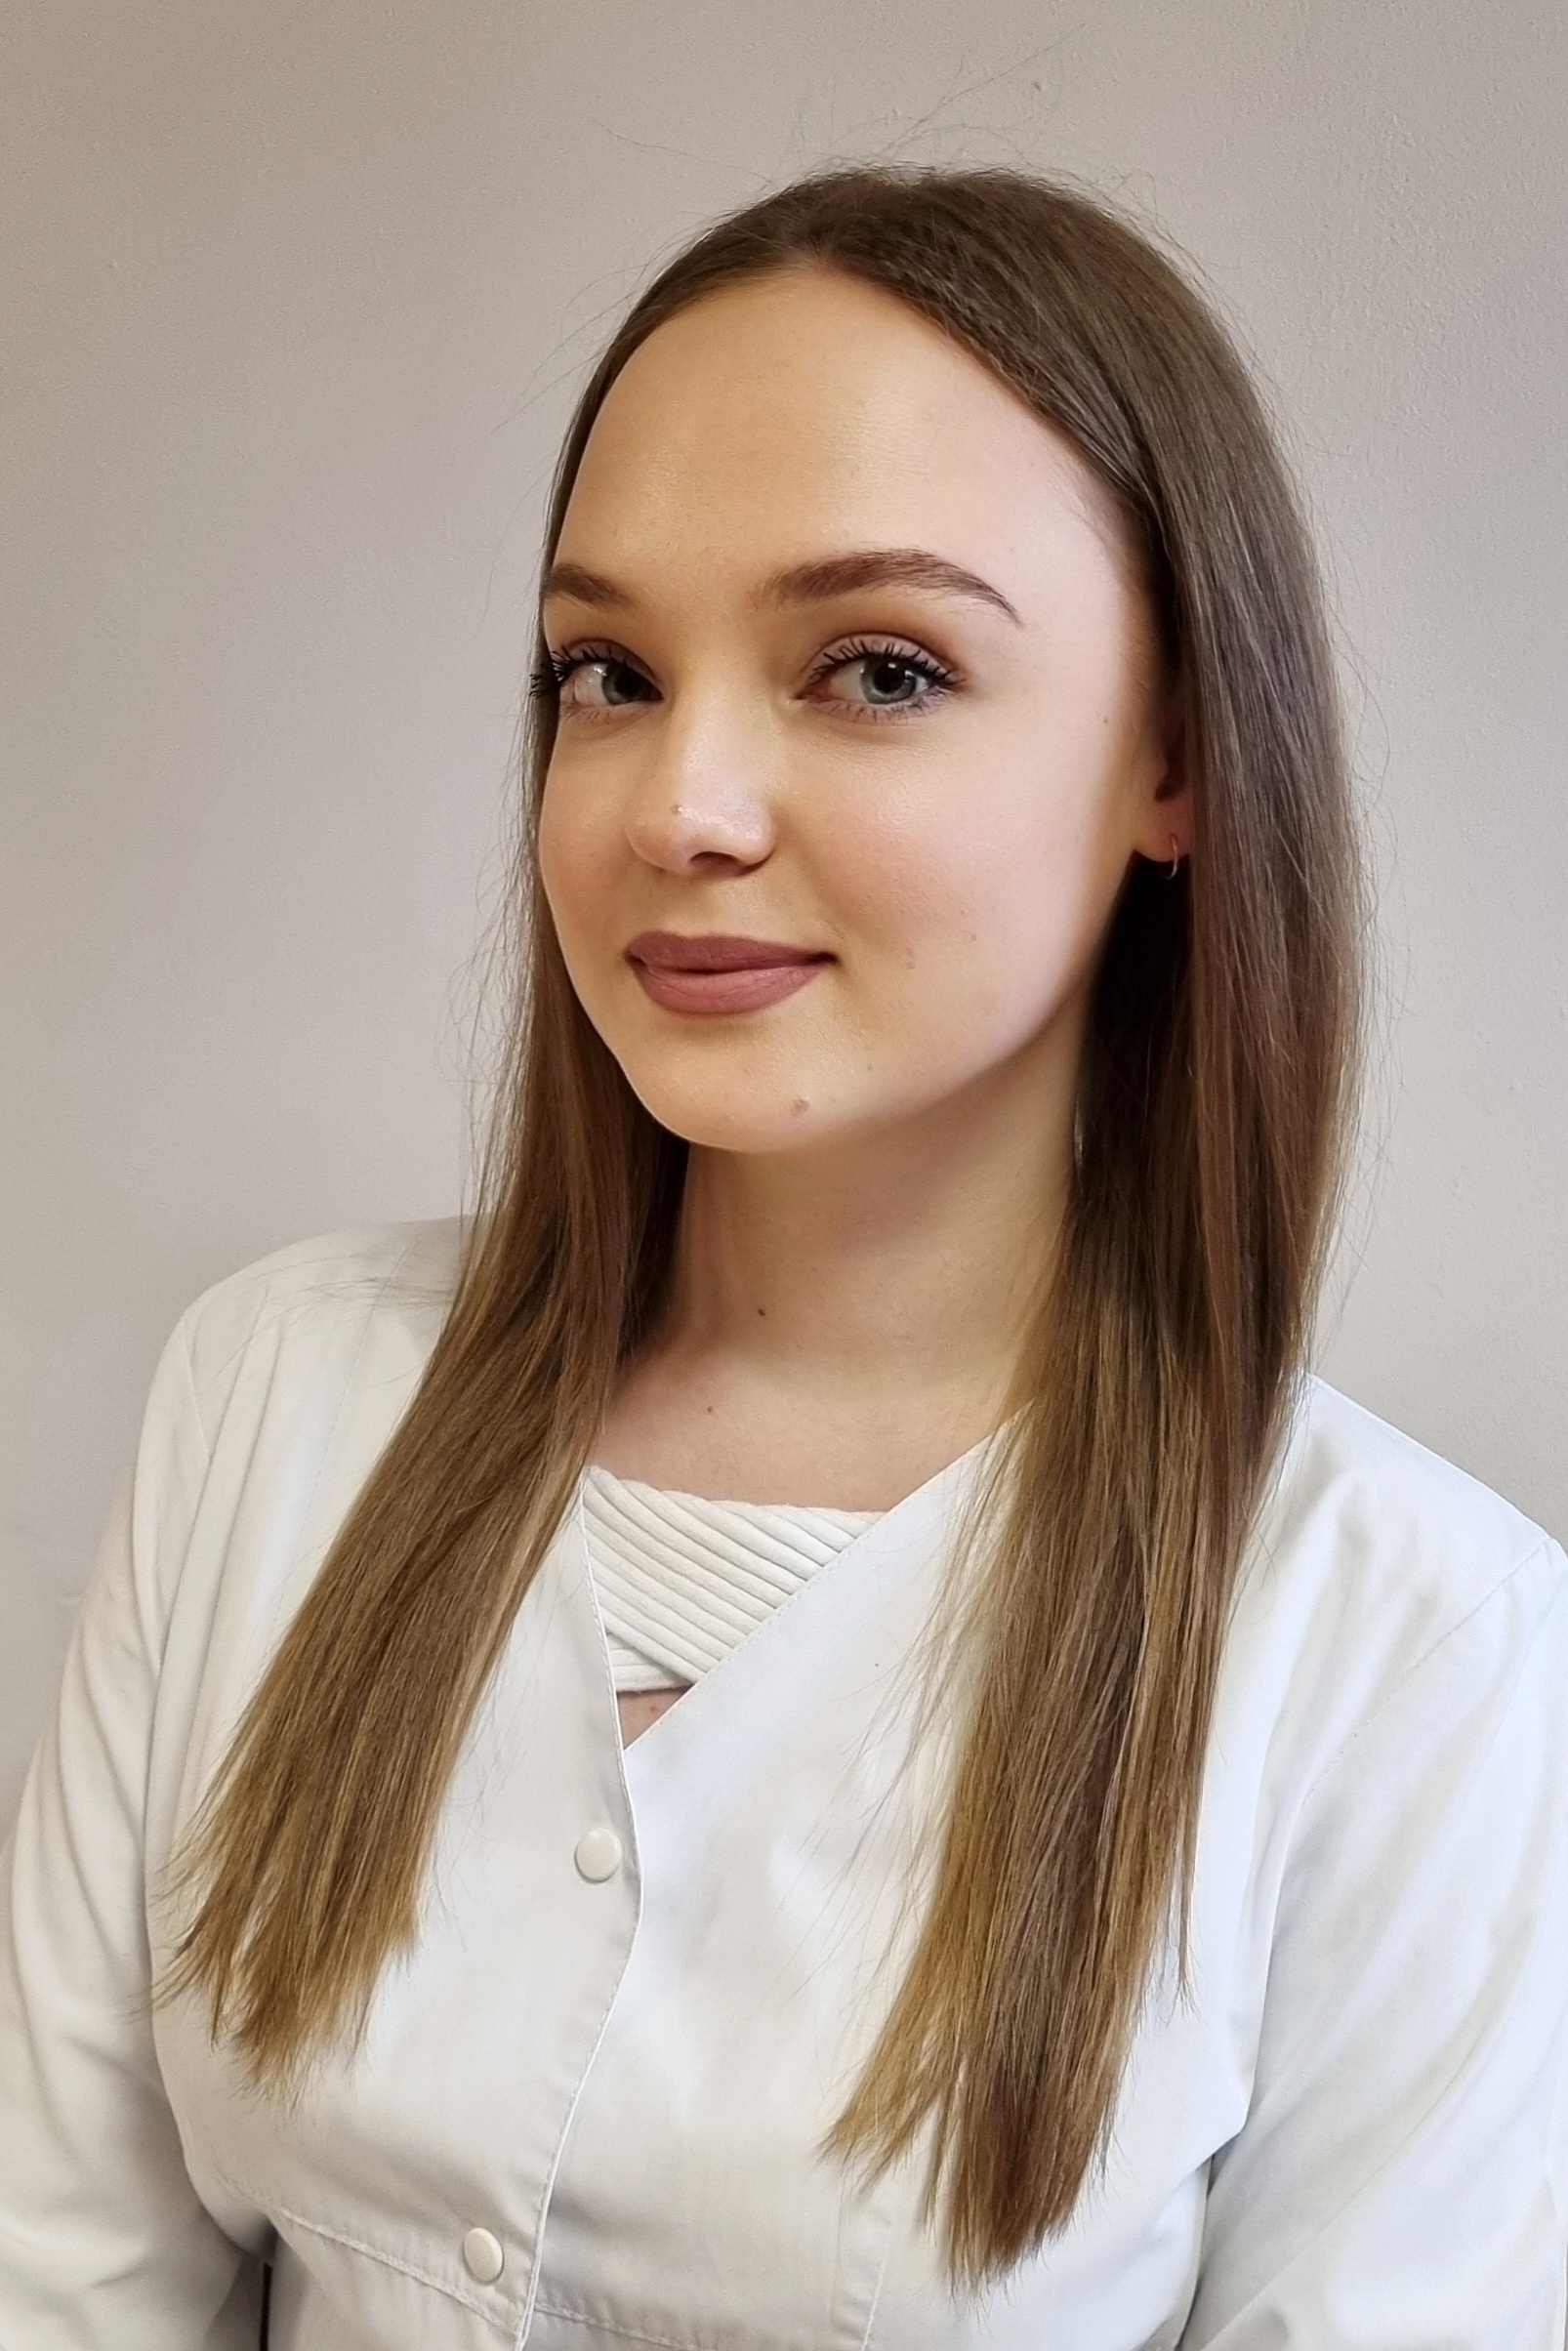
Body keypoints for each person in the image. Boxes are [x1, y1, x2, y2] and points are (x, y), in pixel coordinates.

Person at [2, 162, 1565, 2351]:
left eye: (878, 669)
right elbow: (60, 2276)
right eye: (607, 672)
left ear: (1178, 760)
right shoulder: (271, 1398)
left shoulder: (1415, 1651)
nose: (679, 806)